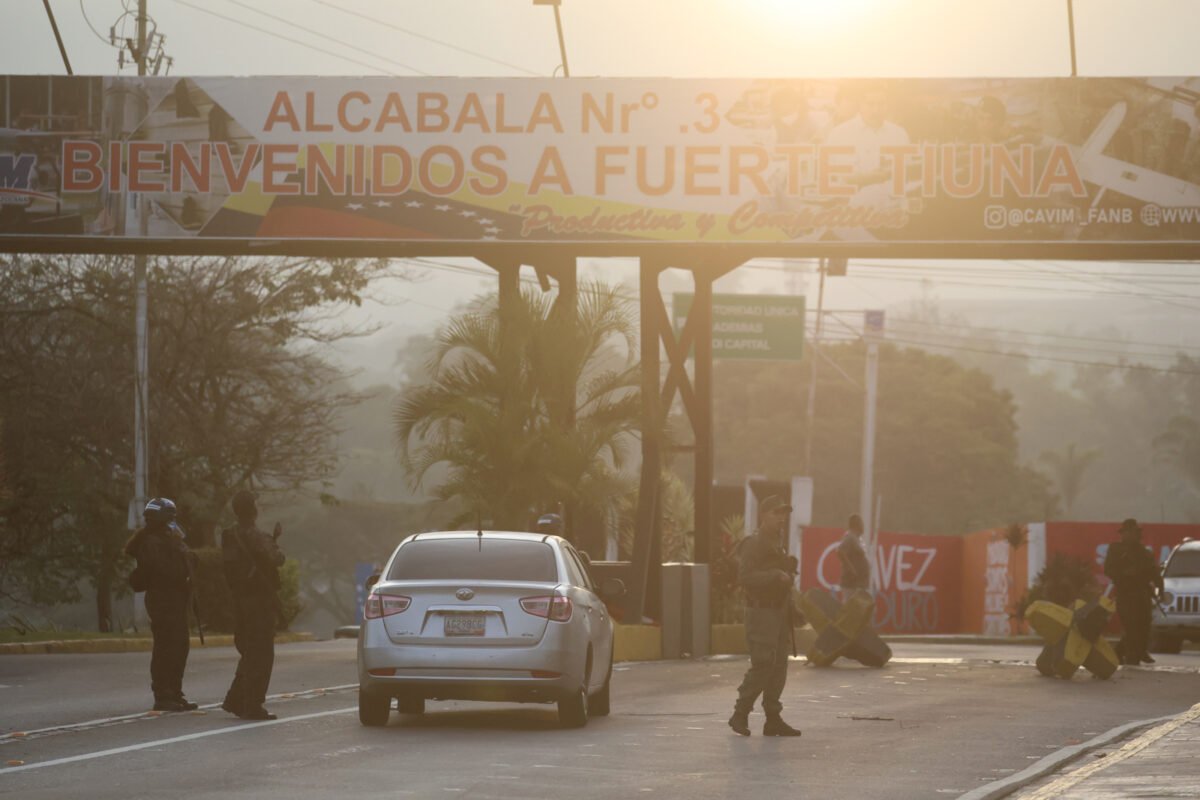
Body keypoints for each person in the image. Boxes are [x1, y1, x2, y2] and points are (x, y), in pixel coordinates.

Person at [728, 494, 802, 738]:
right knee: (763, 665)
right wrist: (774, 575)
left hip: (778, 612)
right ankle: (740, 713)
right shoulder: (754, 543)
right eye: (776, 513)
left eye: (784, 514)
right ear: (764, 515)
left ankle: (773, 718)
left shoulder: (776, 543)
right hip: (761, 613)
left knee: (779, 666)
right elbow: (745, 577)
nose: (781, 518)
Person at [124, 497, 199, 712]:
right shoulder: (152, 542)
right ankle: (163, 694)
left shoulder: (166, 539)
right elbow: (167, 570)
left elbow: (188, 561)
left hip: (174, 598)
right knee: (167, 647)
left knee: (179, 646)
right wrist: (180, 551)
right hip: (163, 599)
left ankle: (175, 692)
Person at [220, 490, 286, 721]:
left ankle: (235, 699)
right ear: (253, 511)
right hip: (258, 602)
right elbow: (278, 558)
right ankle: (252, 704)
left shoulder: (229, 535)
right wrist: (274, 540)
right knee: (261, 654)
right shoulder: (256, 535)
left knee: (249, 651)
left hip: (240, 601)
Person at [1103, 518, 1164, 666]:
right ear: (1124, 533)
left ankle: (1131, 652)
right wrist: (1124, 573)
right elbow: (1108, 570)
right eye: (1132, 532)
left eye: (1137, 532)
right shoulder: (1116, 549)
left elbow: (1153, 572)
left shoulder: (1143, 552)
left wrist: (1160, 587)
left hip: (1142, 594)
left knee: (1143, 625)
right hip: (1125, 593)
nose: (1136, 535)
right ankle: (1132, 656)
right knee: (1131, 626)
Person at [838, 513, 871, 594]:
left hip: (858, 583)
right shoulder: (850, 537)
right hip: (852, 583)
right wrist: (851, 569)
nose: (863, 526)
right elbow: (840, 551)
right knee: (851, 605)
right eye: (861, 523)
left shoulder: (857, 538)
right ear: (857, 524)